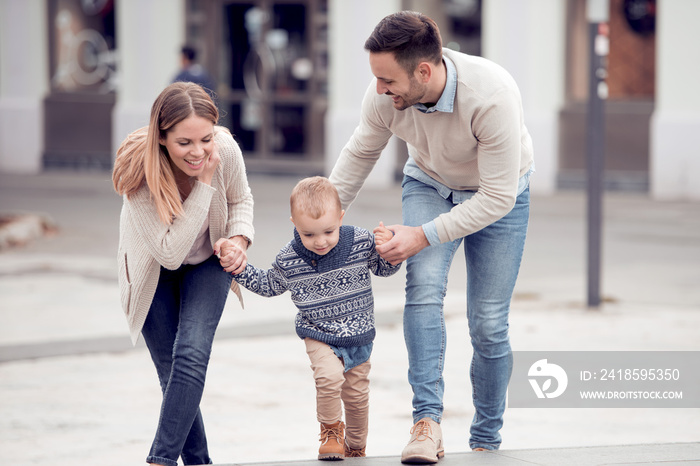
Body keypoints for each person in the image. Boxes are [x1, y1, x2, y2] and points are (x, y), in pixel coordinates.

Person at [328, 11, 534, 463]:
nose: (380, 89)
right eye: (376, 79)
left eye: (387, 79)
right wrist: (319, 220)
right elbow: (361, 151)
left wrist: (422, 235)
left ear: (424, 70)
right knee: (422, 291)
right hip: (429, 183)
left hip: (499, 196)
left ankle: (485, 439)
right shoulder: (383, 94)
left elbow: (497, 197)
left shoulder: (491, 95)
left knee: (488, 323)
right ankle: (427, 424)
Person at [112, 82, 254, 466]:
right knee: (173, 372)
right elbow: (170, 253)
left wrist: (239, 239)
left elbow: (241, 198)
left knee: (191, 354)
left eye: (205, 139)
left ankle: (159, 460)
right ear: (161, 138)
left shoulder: (224, 150)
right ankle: (198, 462)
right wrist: (204, 186)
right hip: (153, 270)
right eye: (184, 143)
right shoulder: (137, 172)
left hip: (209, 262)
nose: (198, 152)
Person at [227, 176, 400, 460]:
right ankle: (331, 431)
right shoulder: (289, 258)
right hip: (317, 331)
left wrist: (388, 250)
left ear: (341, 218)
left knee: (356, 397)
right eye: (309, 235)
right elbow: (270, 284)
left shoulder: (361, 241)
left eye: (328, 231)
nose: (320, 241)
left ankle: (356, 446)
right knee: (328, 378)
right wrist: (238, 268)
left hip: (359, 334)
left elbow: (382, 269)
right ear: (294, 223)